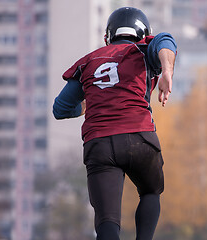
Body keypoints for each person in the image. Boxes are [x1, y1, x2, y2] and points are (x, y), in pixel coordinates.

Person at [52, 7, 177, 240]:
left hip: (99, 143)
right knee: (151, 191)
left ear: (108, 36)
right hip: (139, 136)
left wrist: (93, 103)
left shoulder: (88, 62)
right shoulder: (142, 50)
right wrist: (167, 70)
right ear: (143, 34)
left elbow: (60, 108)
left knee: (107, 220)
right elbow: (165, 40)